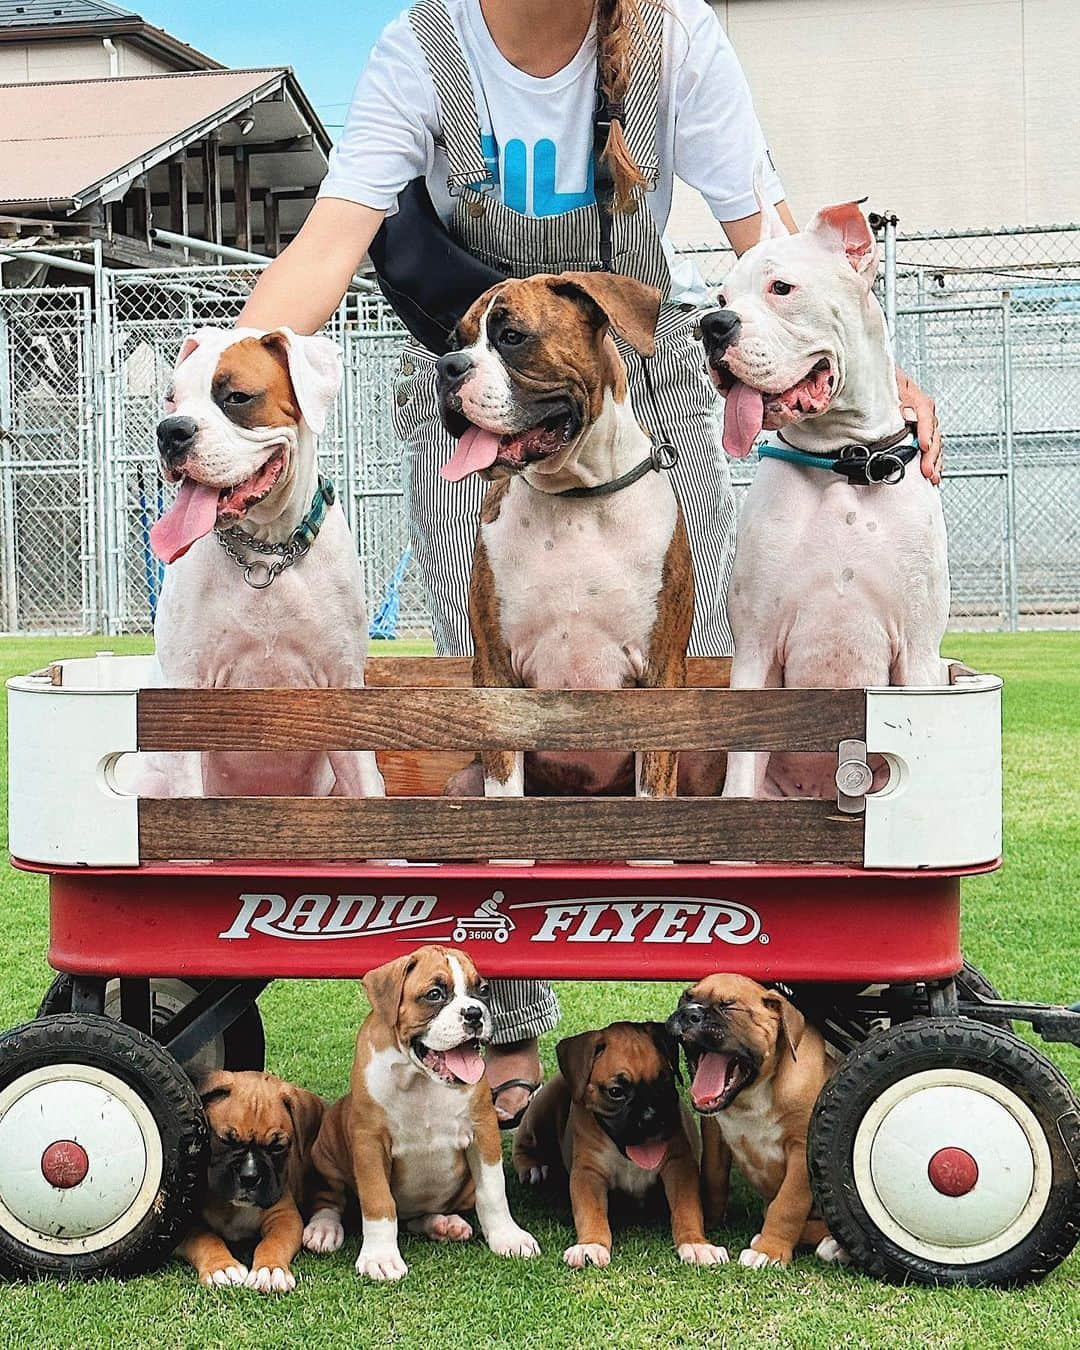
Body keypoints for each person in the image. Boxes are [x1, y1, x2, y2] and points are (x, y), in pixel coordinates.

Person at [238, 0, 942, 1127]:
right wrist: (222, 386)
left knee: (700, 697)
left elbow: (767, 238)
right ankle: (502, 1054)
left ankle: (765, 1030)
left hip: (643, 407)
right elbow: (328, 244)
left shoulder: (676, 41)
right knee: (496, 713)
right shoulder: (424, 47)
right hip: (481, 419)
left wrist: (869, 368)